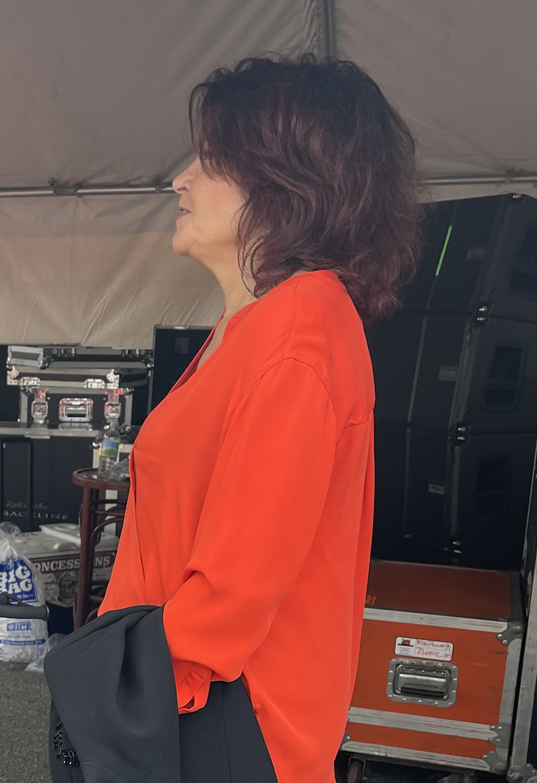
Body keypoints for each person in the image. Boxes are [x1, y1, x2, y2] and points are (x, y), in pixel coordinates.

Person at [97, 55, 420, 783]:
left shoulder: (300, 330)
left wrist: (114, 693)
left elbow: (231, 593)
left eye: (210, 159)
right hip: (183, 713)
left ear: (286, 183)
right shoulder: (255, 323)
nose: (180, 176)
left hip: (222, 731)